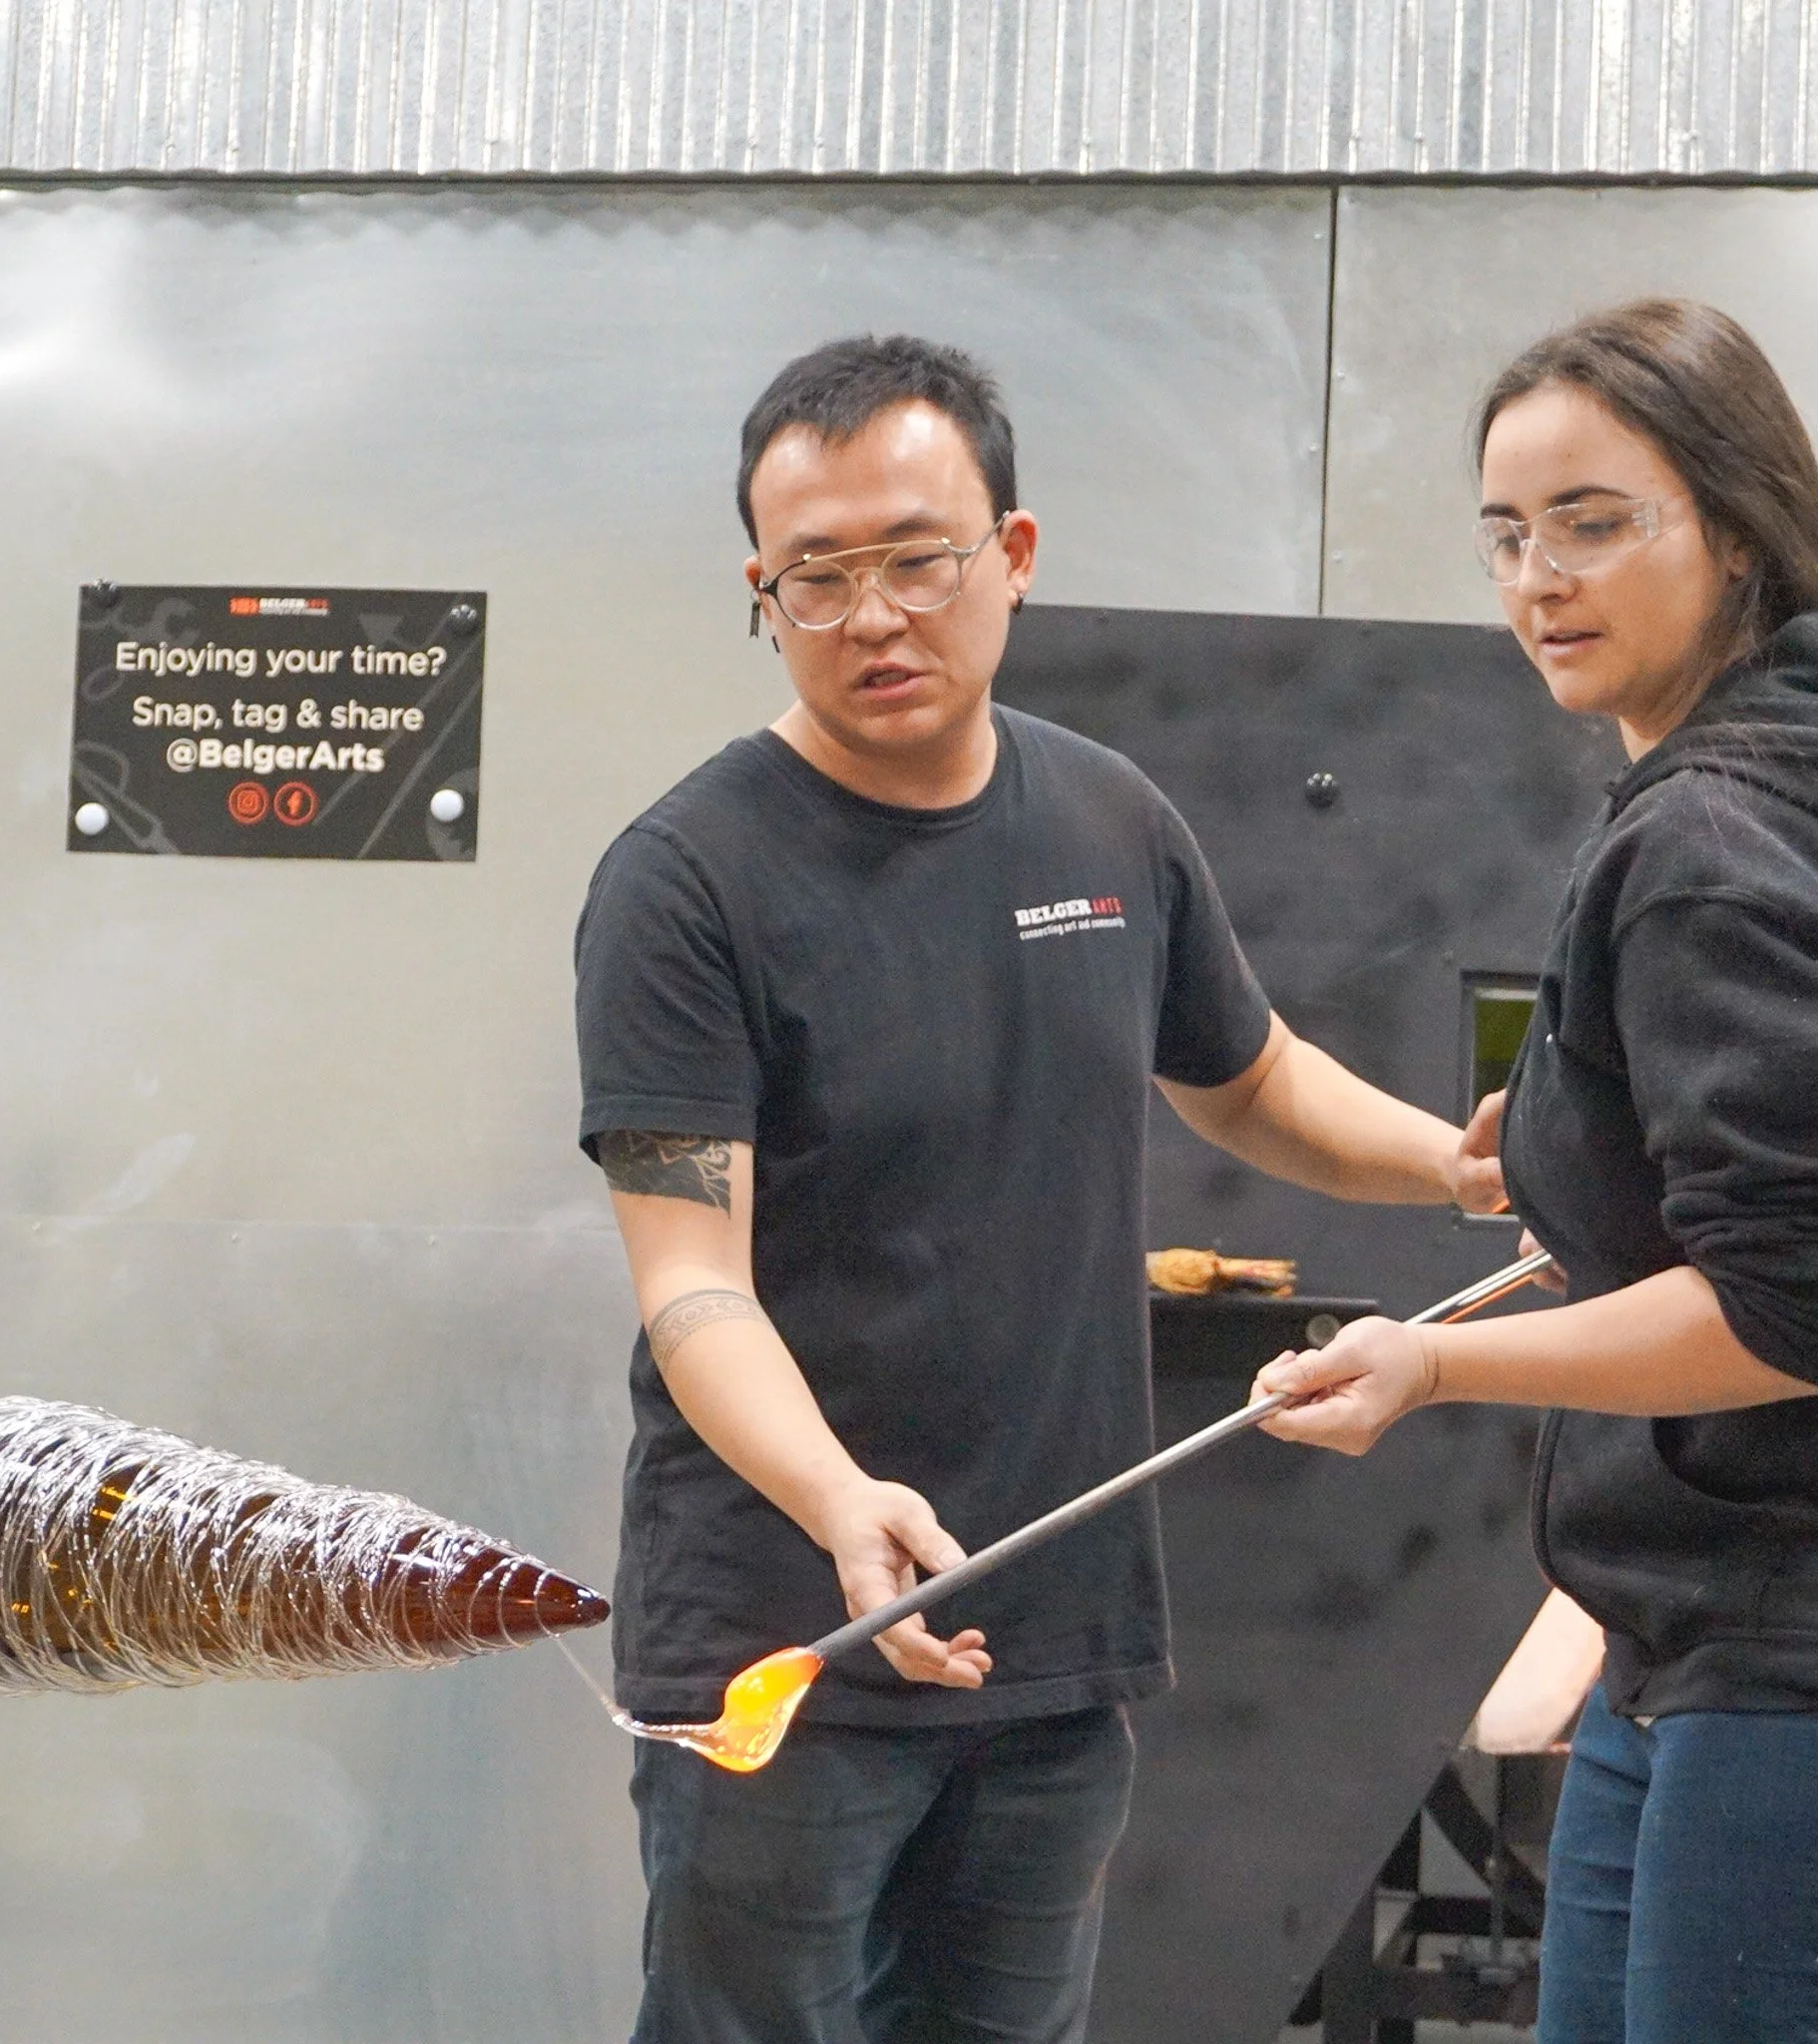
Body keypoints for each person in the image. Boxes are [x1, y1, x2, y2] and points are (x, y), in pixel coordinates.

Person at [573, 333, 1503, 2043]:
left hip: (1055, 1624)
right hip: (792, 1643)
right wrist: (843, 1502)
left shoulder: (1107, 820)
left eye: (918, 560)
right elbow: (692, 1281)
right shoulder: (684, 882)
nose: (873, 617)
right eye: (816, 577)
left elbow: (1256, 1080)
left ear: (1011, 554)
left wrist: (1461, 1169)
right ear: (760, 593)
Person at [1254, 299, 1818, 2042]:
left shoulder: (1712, 838)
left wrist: (1434, 1362)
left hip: (1816, 1656)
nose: (1539, 576)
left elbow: (1800, 1307)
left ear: (1738, 526)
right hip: (1690, 1645)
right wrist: (1569, 1155)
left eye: (1595, 522)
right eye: (1507, 535)